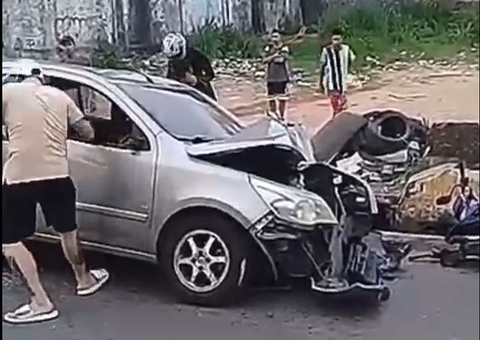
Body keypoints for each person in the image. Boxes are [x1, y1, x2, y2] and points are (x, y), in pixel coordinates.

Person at [2, 62, 110, 324]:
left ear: (18, 77)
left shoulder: (7, 91)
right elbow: (88, 131)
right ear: (42, 79)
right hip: (58, 175)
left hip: (19, 177)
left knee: (9, 240)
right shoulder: (60, 96)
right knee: (67, 230)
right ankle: (84, 280)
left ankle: (40, 302)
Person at [162, 32, 217, 100]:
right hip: (183, 96)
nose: (176, 59)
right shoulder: (172, 61)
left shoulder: (197, 56)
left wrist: (196, 80)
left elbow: (210, 75)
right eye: (172, 57)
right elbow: (170, 77)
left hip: (202, 95)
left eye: (177, 56)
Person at [319, 28, 356, 117]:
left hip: (343, 81)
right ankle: (336, 116)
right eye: (334, 40)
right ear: (331, 40)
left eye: (338, 39)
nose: (336, 42)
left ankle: (337, 117)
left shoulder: (346, 49)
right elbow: (322, 66)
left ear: (341, 39)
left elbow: (351, 60)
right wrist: (321, 82)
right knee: (335, 102)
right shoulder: (326, 51)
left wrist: (349, 72)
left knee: (343, 102)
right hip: (332, 81)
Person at [262, 29, 291, 120]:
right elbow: (264, 60)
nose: (274, 38)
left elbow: (281, 60)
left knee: (282, 99)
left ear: (280, 38)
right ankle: (274, 116)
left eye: (276, 36)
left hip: (282, 77)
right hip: (271, 78)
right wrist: (274, 56)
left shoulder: (284, 48)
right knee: (271, 99)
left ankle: (282, 117)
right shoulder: (268, 48)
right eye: (273, 36)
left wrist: (271, 57)